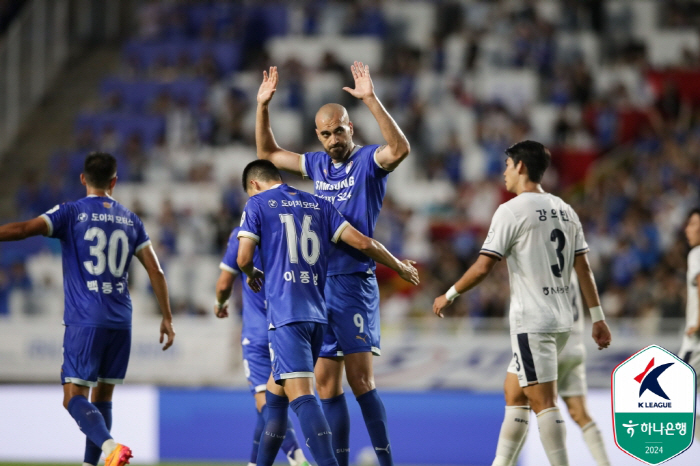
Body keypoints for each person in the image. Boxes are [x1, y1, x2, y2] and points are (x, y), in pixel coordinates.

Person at [256, 61, 410, 466]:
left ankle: (386, 462)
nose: (332, 139)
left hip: (354, 279)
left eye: (338, 130)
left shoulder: (368, 162)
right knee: (326, 385)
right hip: (318, 284)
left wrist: (372, 100)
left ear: (350, 128)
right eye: (324, 133)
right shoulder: (317, 164)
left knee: (361, 381)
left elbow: (400, 150)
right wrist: (263, 107)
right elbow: (268, 153)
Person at [432, 141, 612, 466]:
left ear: (520, 167)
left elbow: (483, 266)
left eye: (506, 165)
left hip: (533, 322)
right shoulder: (565, 210)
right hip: (561, 321)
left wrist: (450, 294)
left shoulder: (511, 211)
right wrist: (598, 318)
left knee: (544, 402)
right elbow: (583, 268)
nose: (503, 172)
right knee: (514, 393)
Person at [236, 160, 419, 466]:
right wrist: (398, 265)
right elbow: (363, 242)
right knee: (275, 398)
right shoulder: (319, 204)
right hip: (317, 314)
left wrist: (252, 271)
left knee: (304, 397)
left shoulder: (256, 204)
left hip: (286, 314)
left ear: (254, 184)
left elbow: (243, 258)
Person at [0, 152, 175, 466]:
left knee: (73, 398)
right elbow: (156, 271)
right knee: (104, 397)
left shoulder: (71, 212)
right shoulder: (131, 219)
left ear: (83, 179)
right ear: (114, 182)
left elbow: (25, 229)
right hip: (121, 320)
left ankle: (109, 447)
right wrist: (167, 317)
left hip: (86, 318)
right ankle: (91, 463)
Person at [215, 228, 311, 466]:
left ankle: (297, 458)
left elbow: (224, 282)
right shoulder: (294, 229)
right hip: (290, 327)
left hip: (258, 333)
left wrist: (220, 303)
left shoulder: (241, 234)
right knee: (277, 402)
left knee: (266, 403)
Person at [508, 273, 611, 466]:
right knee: (580, 412)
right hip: (575, 346)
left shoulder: (543, 262)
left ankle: (508, 462)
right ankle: (605, 463)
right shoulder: (570, 265)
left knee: (522, 407)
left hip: (552, 344)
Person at [682, 208, 700, 441]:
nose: (687, 229)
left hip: (696, 343)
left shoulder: (697, 253)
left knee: (670, 401)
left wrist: (698, 322)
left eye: (693, 223)